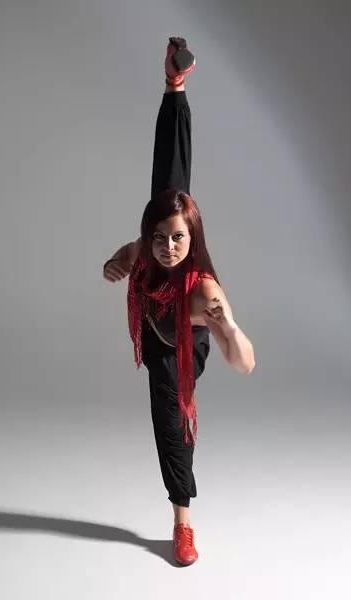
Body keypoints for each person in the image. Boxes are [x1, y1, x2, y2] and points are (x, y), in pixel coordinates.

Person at [103, 37, 256, 566]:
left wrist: (228, 328)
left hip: (178, 345)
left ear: (194, 240)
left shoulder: (203, 290)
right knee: (169, 187)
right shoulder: (147, 247)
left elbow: (245, 364)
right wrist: (117, 261)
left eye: (178, 239)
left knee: (172, 427)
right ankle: (175, 85)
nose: (168, 247)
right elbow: (129, 251)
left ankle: (182, 522)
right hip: (154, 324)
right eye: (161, 239)